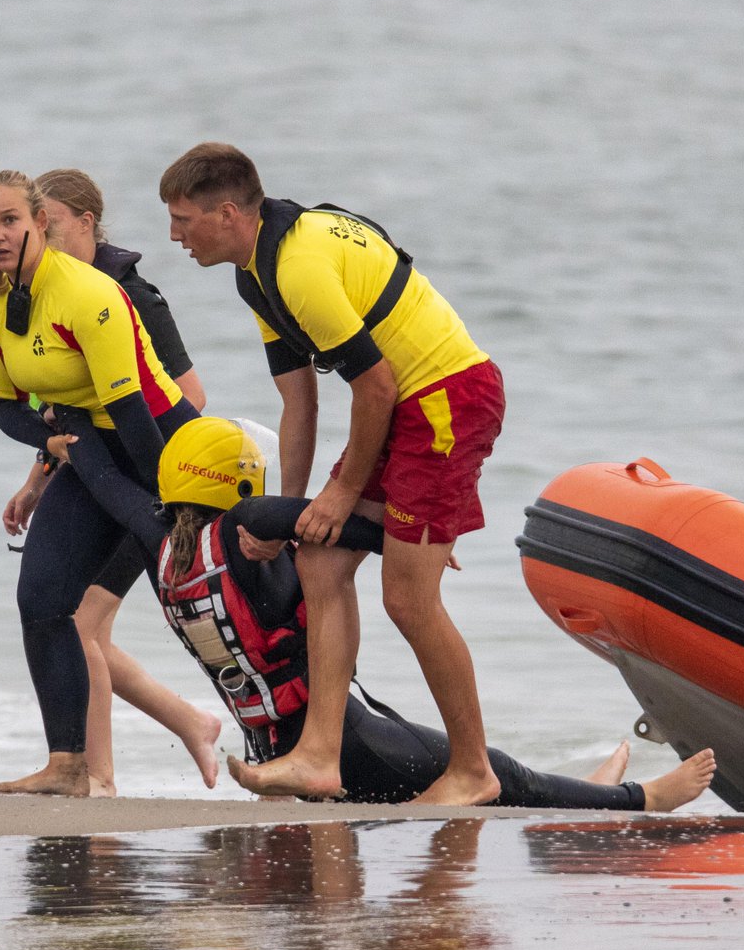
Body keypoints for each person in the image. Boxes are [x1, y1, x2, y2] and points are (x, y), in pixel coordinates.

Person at [57, 410, 717, 810]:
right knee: (490, 775)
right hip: (347, 747)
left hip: (275, 742)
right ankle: (639, 801)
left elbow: (106, 479)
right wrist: (416, 543)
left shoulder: (160, 555)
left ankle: (590, 792)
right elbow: (325, 521)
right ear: (238, 483)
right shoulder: (249, 523)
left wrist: (63, 429)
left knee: (463, 761)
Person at [159, 143, 506, 806]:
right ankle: (318, 757)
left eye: (182, 219)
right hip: (404, 405)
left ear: (227, 213)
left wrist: (344, 492)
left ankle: (473, 771)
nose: (174, 235)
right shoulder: (254, 272)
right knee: (318, 558)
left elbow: (373, 387)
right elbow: (300, 402)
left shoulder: (299, 268)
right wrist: (288, 515)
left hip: (444, 399)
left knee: (407, 597)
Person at [0, 169, 200, 796]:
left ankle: (295, 750)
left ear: (40, 222)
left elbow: (131, 407)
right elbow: (3, 404)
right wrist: (46, 450)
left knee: (197, 606)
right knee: (42, 600)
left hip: (150, 439)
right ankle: (68, 765)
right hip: (86, 450)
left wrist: (172, 501)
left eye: (10, 220)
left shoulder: (90, 292)